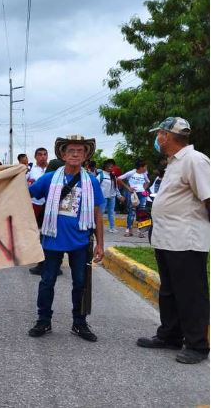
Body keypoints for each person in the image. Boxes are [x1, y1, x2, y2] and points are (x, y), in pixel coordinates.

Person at [137, 117, 209, 364]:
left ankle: (198, 346)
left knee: (191, 294)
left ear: (167, 136)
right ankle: (170, 335)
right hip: (167, 239)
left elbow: (209, 198)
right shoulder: (174, 162)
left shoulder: (194, 160)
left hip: (186, 241)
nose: (157, 139)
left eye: (158, 134)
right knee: (170, 291)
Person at [27, 135, 104, 342]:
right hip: (52, 239)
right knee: (47, 281)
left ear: (86, 155)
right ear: (63, 154)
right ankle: (44, 321)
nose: (76, 154)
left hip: (80, 241)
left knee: (80, 283)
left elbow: (97, 214)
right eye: (71, 151)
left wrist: (100, 245)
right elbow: (26, 194)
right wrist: (11, 178)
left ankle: (79, 323)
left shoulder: (92, 182)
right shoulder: (50, 178)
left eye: (80, 151)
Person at [27, 148, 59, 276]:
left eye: (45, 154)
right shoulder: (30, 170)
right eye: (40, 154)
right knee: (38, 231)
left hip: (50, 206)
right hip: (36, 204)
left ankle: (45, 264)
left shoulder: (51, 171)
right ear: (35, 156)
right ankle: (48, 262)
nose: (43, 157)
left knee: (45, 233)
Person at [118, 160, 150, 237]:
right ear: (141, 167)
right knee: (131, 212)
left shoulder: (144, 173)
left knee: (142, 212)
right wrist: (128, 188)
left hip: (142, 194)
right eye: (145, 167)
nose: (146, 168)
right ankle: (129, 231)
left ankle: (141, 232)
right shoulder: (131, 172)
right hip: (133, 194)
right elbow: (119, 179)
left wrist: (144, 189)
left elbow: (148, 182)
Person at [97, 160, 120, 233]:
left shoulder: (113, 176)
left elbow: (116, 187)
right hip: (103, 197)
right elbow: (96, 186)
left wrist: (119, 196)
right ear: (105, 166)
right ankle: (98, 227)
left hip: (112, 197)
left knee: (111, 212)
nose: (111, 167)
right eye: (109, 165)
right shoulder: (101, 175)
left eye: (112, 166)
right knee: (101, 212)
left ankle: (112, 227)